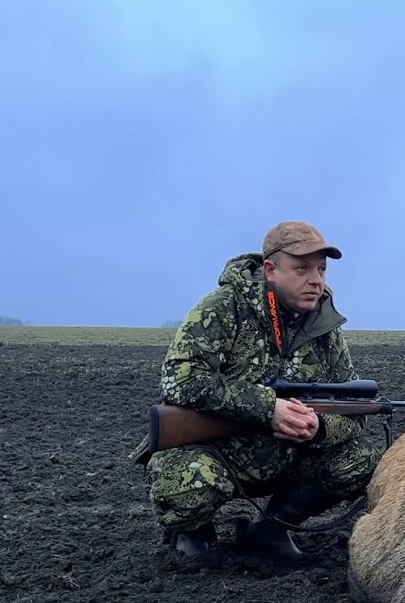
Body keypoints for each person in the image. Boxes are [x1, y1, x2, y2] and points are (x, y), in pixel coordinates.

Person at [140, 220, 381, 560]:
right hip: (220, 454)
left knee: (362, 460)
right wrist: (269, 408)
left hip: (289, 458)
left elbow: (351, 410)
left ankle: (271, 527)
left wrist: (318, 428)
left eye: (321, 270)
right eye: (301, 269)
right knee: (186, 485)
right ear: (270, 269)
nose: (316, 280)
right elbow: (180, 379)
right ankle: (194, 530)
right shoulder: (223, 307)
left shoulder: (325, 326)